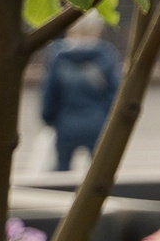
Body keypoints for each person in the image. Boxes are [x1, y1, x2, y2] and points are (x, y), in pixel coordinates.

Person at [39, 18, 121, 172]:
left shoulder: (58, 56)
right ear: (98, 29)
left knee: (62, 170)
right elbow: (114, 93)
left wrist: (47, 117)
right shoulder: (105, 55)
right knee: (99, 170)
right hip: (97, 123)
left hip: (66, 123)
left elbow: (50, 93)